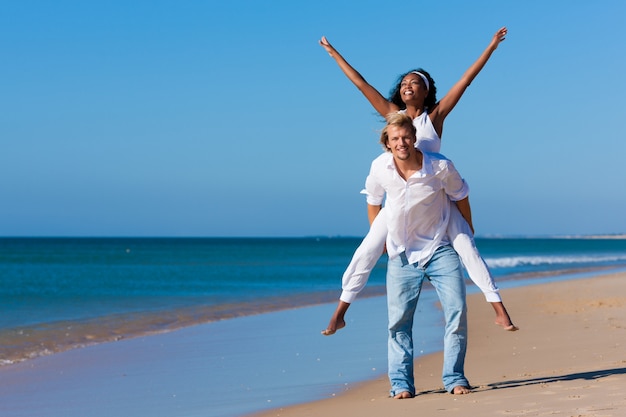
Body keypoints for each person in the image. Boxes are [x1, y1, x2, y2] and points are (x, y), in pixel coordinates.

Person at [319, 27, 518, 335]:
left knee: (467, 245)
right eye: (404, 83)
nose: (407, 86)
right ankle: (341, 310)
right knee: (368, 248)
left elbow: (465, 81)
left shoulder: (433, 118)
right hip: (400, 197)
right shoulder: (392, 115)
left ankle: (498, 307)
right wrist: (334, 54)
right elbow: (361, 84)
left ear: (426, 92)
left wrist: (491, 47)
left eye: (415, 83)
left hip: (437, 196)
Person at [369, 112, 471, 397]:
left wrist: (468, 229)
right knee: (399, 321)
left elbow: (460, 193)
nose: (401, 143)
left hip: (439, 249)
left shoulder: (439, 167)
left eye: (405, 137)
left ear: (414, 139)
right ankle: (401, 384)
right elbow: (373, 200)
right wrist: (382, 239)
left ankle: (455, 378)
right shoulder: (380, 168)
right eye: (395, 139)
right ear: (387, 143)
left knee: (457, 311)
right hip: (401, 255)